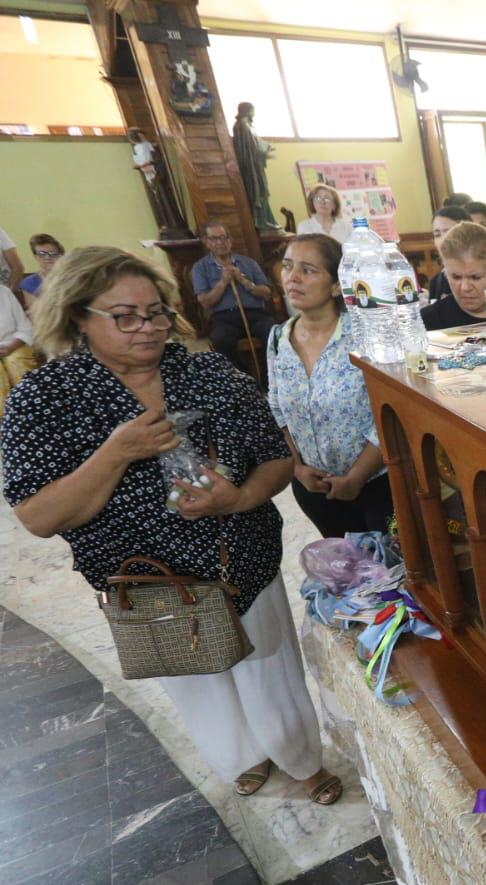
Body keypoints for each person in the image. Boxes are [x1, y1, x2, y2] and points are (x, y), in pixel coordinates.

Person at [2, 247, 345, 805]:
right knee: (198, 683)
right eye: (126, 315)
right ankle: (246, 757)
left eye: (157, 311)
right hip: (151, 585)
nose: (148, 327)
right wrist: (116, 453)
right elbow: (38, 516)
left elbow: (276, 458)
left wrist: (236, 500)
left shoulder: (205, 371)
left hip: (242, 564)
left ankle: (300, 759)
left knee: (269, 671)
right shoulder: (46, 398)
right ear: (77, 316)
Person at [266, 234, 388, 538]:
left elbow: (386, 413)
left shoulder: (364, 336)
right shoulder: (279, 339)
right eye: (288, 267)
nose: (293, 278)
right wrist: (297, 468)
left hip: (376, 485)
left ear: (336, 285)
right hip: (313, 487)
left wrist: (357, 477)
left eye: (308, 270)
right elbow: (277, 409)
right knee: (345, 572)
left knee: (390, 571)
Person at [191, 222, 277, 378]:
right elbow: (205, 301)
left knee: (273, 333)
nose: (220, 242)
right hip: (224, 318)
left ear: (230, 240)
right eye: (214, 239)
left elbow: (266, 293)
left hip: (255, 314)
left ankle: (269, 377)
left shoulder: (248, 263)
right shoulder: (200, 268)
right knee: (221, 340)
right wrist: (223, 282)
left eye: (223, 237)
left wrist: (245, 282)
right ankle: (245, 379)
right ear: (206, 242)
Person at [232, 102, 276, 231]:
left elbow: (254, 144)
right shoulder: (242, 126)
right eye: (252, 110)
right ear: (248, 110)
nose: (254, 112)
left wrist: (265, 149)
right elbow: (250, 148)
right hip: (251, 167)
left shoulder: (246, 126)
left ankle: (266, 220)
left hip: (256, 165)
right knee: (259, 191)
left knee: (263, 191)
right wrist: (264, 151)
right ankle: (261, 221)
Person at [426, 205, 471, 300]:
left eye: (449, 232)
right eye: (437, 235)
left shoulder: (485, 274)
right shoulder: (436, 282)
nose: (442, 240)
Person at [19, 234, 64, 310]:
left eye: (52, 253)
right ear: (35, 257)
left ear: (61, 255)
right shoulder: (29, 283)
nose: (47, 257)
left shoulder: (72, 277)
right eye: (42, 254)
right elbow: (36, 315)